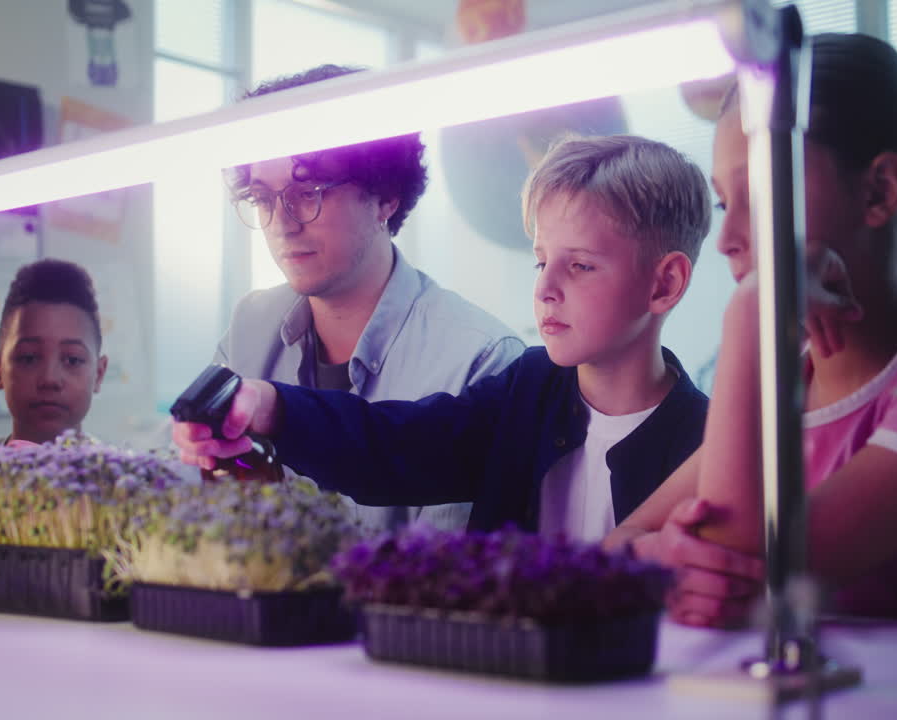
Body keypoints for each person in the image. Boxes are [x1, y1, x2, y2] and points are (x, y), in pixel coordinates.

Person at [607, 33, 897, 624]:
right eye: (725, 203)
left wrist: (751, 313)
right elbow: (614, 547)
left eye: (763, 192)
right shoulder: (794, 382)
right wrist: (661, 558)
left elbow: (751, 575)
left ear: (879, 191)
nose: (726, 239)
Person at [176, 134, 712, 540]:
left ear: (664, 284)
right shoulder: (527, 387)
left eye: (580, 266)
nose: (545, 289)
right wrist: (270, 406)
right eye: (541, 261)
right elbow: (399, 445)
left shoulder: (708, 441)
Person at [216, 63, 525, 532]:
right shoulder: (250, 326)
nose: (282, 223)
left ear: (386, 197)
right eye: (262, 199)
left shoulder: (479, 358)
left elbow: (448, 563)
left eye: (308, 192)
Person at [0, 258, 108, 447]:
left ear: (99, 374)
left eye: (72, 360)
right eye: (29, 358)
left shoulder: (121, 467)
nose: (49, 379)